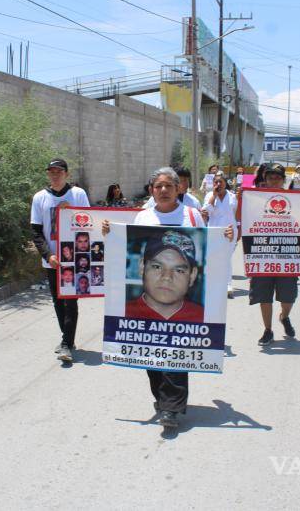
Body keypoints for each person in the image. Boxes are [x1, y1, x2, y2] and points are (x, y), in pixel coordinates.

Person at [103, 166, 233, 430]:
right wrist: (109, 234)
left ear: (178, 189)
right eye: (158, 186)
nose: (163, 190)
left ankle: (171, 408)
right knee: (151, 356)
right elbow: (122, 244)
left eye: (169, 186)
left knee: (177, 355)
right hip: (147, 311)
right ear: (152, 190)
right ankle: (163, 399)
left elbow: (212, 249)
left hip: (182, 309)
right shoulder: (142, 217)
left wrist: (228, 237)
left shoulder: (193, 215)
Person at [30, 158, 90, 362]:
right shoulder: (40, 198)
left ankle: (65, 343)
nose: (54, 175)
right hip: (52, 259)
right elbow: (36, 233)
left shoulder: (78, 194)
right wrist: (48, 255)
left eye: (58, 171)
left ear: (66, 174)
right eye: (51, 172)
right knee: (57, 300)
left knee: (70, 301)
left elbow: (87, 223)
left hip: (73, 259)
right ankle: (68, 339)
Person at [248, 163, 297, 345]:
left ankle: (284, 316)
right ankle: (268, 330)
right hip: (262, 254)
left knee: (288, 296)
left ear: (283, 180)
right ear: (265, 179)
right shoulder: (255, 199)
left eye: (277, 177)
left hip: (287, 255)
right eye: (270, 177)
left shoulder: (296, 198)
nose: (274, 180)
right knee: (263, 295)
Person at [125, 230, 204, 322]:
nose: (167, 277)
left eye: (179, 270)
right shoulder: (120, 313)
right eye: (157, 267)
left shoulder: (206, 319)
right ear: (142, 267)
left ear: (192, 276)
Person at [202, 171, 239, 298]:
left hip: (230, 231)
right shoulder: (208, 196)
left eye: (221, 182)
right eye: (216, 182)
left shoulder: (232, 196)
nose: (218, 184)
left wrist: (238, 228)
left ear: (225, 184)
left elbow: (236, 214)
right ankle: (214, 284)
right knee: (213, 258)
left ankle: (228, 285)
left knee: (226, 258)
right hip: (214, 230)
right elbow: (207, 212)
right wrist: (214, 195)